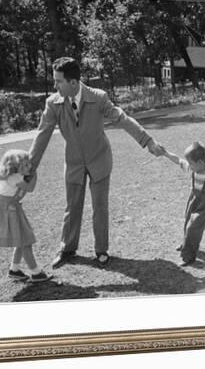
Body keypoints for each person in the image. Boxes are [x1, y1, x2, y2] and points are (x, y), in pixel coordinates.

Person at [28, 57, 164, 268]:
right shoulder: (53, 103)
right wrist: (30, 166)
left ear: (73, 83)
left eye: (58, 81)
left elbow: (123, 119)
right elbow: (42, 136)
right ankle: (67, 249)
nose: (55, 86)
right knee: (72, 207)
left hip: (99, 160)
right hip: (73, 163)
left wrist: (148, 141)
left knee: (100, 207)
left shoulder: (98, 98)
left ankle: (101, 250)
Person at [0, 149, 53, 283]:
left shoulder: (12, 175)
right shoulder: (15, 177)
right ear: (13, 167)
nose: (29, 167)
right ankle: (36, 272)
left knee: (20, 239)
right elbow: (30, 188)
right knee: (25, 241)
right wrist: (34, 174)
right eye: (24, 165)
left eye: (29, 164)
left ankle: (15, 270)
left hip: (10, 207)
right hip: (9, 209)